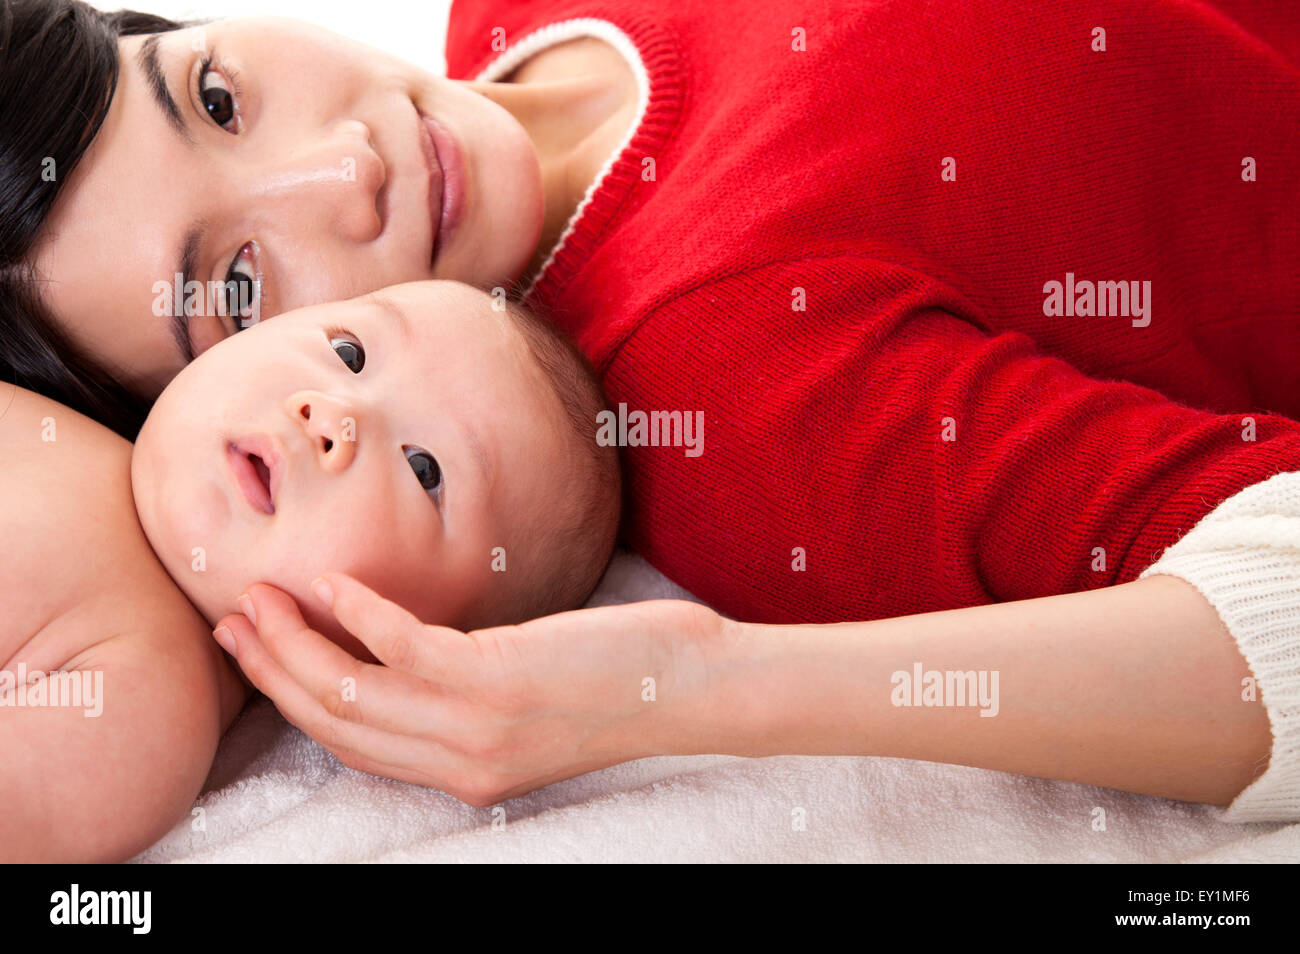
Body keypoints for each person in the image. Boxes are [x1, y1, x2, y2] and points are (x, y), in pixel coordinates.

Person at [4, 0, 1300, 820]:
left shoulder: (493, 23)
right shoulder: (738, 392)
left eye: (217, 98)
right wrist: (696, 687)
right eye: (238, 284)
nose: (343, 167)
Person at [0, 280, 621, 861]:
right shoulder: (58, 413)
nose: (333, 416)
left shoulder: (147, 716)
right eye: (349, 353)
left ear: (410, 657)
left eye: (424, 470)